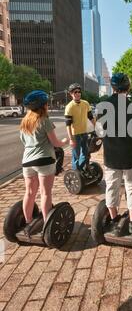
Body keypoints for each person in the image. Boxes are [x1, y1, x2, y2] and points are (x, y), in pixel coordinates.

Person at [97, 73, 132, 235]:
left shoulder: (103, 105)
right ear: (128, 87)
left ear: (112, 87)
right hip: (130, 156)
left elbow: (99, 132)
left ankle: (113, 220)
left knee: (111, 187)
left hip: (111, 157)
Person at [20, 90, 68, 236]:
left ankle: (28, 222)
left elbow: (24, 142)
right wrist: (64, 141)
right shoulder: (44, 120)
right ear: (43, 106)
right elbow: (55, 142)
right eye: (47, 103)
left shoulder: (24, 122)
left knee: (29, 193)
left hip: (27, 162)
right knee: (45, 193)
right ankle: (48, 224)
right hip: (44, 160)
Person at [65, 83, 95, 178]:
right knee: (76, 156)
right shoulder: (69, 107)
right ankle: (76, 175)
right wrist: (71, 139)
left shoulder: (85, 103)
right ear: (71, 94)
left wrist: (97, 128)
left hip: (84, 133)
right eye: (75, 92)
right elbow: (68, 125)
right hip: (75, 135)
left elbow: (91, 117)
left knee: (86, 154)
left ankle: (81, 170)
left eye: (79, 92)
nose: (78, 94)